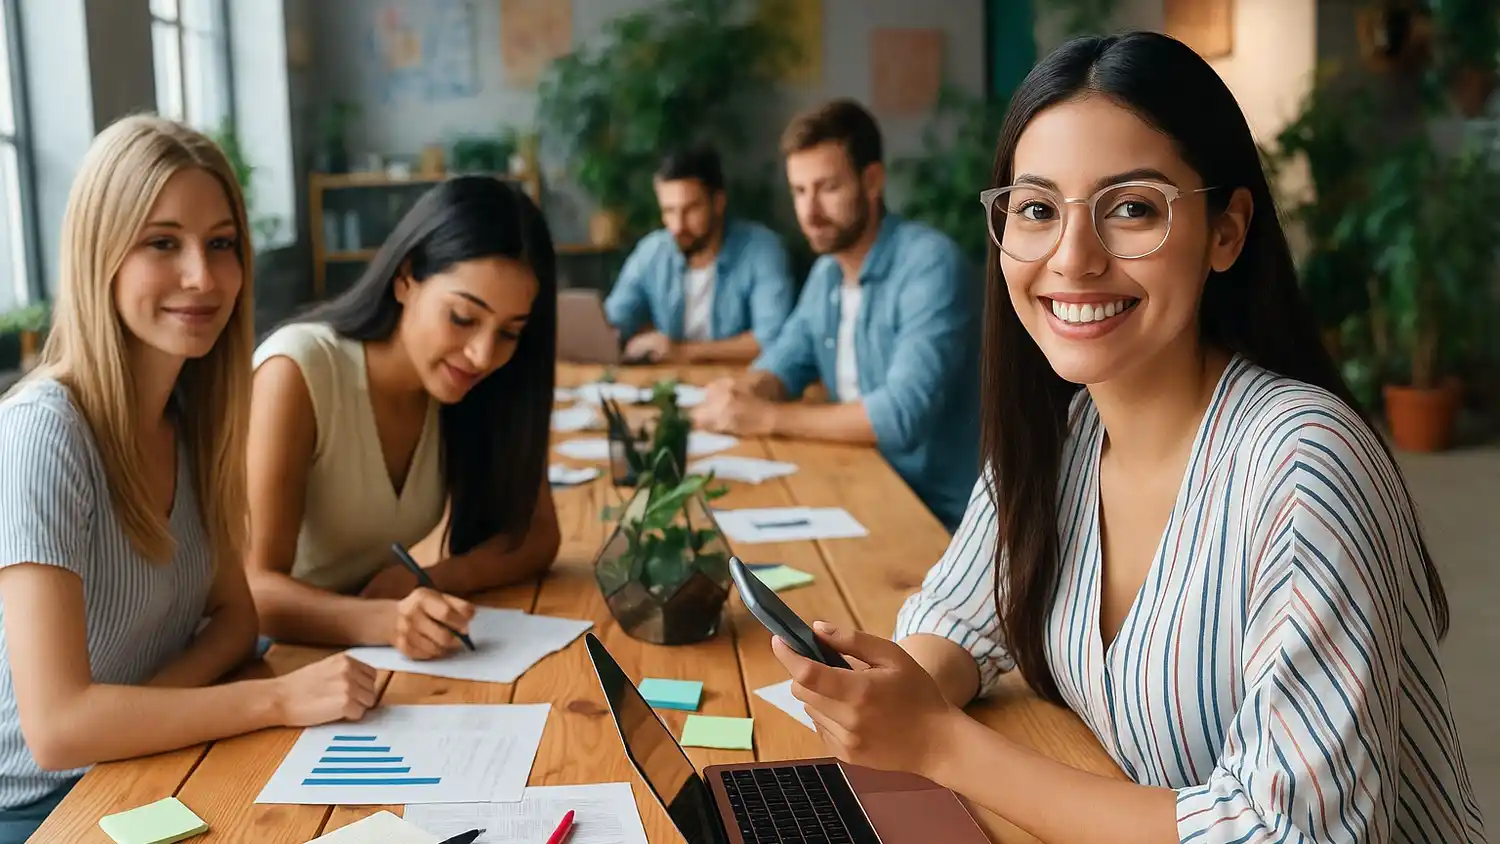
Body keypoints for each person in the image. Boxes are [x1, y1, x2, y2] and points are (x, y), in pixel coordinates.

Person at [769, 32, 1487, 844]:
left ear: (1226, 231)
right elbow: (962, 607)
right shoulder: (1071, 431)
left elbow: (1286, 835)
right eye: (1037, 209)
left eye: (1133, 208)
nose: (1072, 259)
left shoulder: (1301, 464)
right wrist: (895, 696)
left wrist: (938, 744)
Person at [0, 115, 377, 843]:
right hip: (41, 809)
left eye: (222, 244)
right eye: (162, 243)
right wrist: (270, 702)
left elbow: (237, 620)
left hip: (145, 756)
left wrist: (136, 708)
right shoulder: (43, 435)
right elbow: (57, 731)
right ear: (99, 255)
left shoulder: (195, 417)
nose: (203, 277)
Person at [246, 176, 560, 660]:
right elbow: (254, 591)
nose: (481, 354)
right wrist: (385, 620)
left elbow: (537, 538)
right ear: (406, 276)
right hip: (269, 654)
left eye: (509, 332)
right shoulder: (297, 371)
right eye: (462, 317)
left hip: (362, 653)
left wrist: (426, 579)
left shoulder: (472, 384)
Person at [692, 99, 982, 532]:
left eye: (827, 188)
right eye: (799, 191)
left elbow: (900, 415)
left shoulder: (930, 264)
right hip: (858, 485)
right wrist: (746, 390)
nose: (809, 212)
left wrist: (766, 417)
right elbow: (786, 359)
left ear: (872, 181)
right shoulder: (828, 272)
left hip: (938, 517)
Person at [604, 143, 796, 364]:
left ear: (718, 202)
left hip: (741, 385)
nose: (677, 226)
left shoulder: (763, 249)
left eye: (690, 209)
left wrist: (683, 352)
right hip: (671, 385)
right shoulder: (653, 251)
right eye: (669, 211)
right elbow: (615, 321)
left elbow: (772, 339)